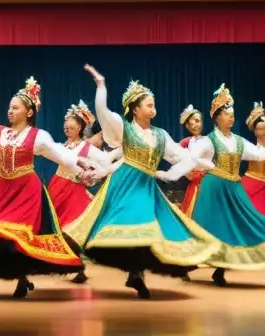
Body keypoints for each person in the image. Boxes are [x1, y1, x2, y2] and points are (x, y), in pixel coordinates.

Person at [66, 65, 220, 299]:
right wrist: (101, 86)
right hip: (125, 183)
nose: (153, 107)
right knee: (134, 222)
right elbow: (103, 113)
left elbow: (182, 156)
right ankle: (134, 271)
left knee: (149, 227)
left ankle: (136, 273)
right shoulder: (124, 128)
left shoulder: (160, 134)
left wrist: (182, 171)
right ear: (135, 109)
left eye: (153, 103)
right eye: (148, 104)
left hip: (147, 186)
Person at [0, 78, 96, 298]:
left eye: (15, 108)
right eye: (9, 107)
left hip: (27, 190)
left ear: (28, 112)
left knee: (18, 235)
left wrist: (80, 167)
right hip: (3, 189)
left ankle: (22, 278)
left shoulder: (38, 137)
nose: (10, 111)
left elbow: (60, 154)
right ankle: (22, 278)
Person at [186, 85, 265, 286]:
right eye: (228, 114)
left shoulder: (239, 141)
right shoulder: (208, 141)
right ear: (217, 117)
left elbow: (260, 154)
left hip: (234, 187)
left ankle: (220, 269)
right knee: (210, 226)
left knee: (236, 224)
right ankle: (187, 263)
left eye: (233, 115)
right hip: (214, 188)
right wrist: (196, 168)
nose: (231, 118)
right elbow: (191, 159)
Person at [47, 100, 122, 285]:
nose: (66, 126)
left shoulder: (86, 147)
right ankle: (59, 262)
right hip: (57, 188)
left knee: (72, 229)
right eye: (65, 124)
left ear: (80, 126)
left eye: (71, 123)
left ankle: (78, 266)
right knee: (54, 227)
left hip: (73, 192)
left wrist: (124, 150)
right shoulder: (62, 146)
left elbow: (106, 160)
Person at [177, 105, 206, 214]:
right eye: (191, 123)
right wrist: (188, 174)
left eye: (198, 121)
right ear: (187, 126)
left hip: (208, 184)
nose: (195, 125)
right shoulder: (185, 143)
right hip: (193, 185)